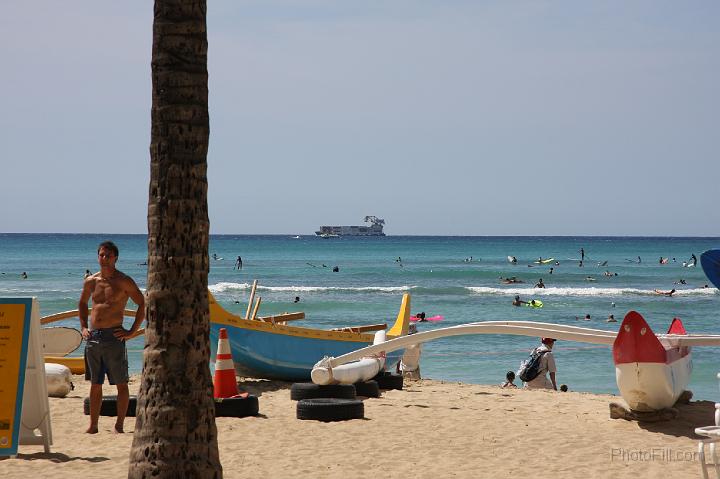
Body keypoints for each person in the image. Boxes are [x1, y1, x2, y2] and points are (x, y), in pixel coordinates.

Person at [79, 241, 145, 434]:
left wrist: (132, 331)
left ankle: (119, 425)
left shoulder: (124, 281)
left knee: (121, 384)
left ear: (116, 258)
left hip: (114, 336)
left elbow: (143, 304)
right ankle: (93, 425)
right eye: (101, 255)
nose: (104, 259)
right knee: (95, 384)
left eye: (108, 255)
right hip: (93, 337)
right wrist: (83, 327)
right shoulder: (91, 281)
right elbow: (82, 303)